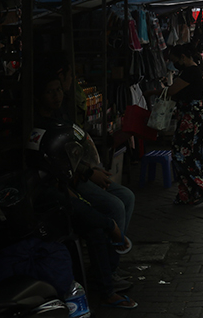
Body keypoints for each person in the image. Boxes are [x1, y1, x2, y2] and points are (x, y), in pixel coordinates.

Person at [38, 58, 136, 257]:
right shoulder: (40, 124)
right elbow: (56, 162)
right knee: (115, 205)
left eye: (58, 90)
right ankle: (110, 267)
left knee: (127, 196)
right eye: (50, 91)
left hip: (81, 172)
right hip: (67, 181)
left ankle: (113, 261)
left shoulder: (61, 112)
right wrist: (89, 172)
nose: (56, 95)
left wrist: (92, 169)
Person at [165, 44, 203, 205]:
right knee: (189, 155)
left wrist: (154, 92)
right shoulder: (191, 70)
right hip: (190, 116)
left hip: (191, 117)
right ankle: (192, 192)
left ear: (183, 57)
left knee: (183, 155)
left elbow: (171, 91)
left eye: (174, 59)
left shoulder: (191, 71)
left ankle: (201, 190)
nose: (172, 63)